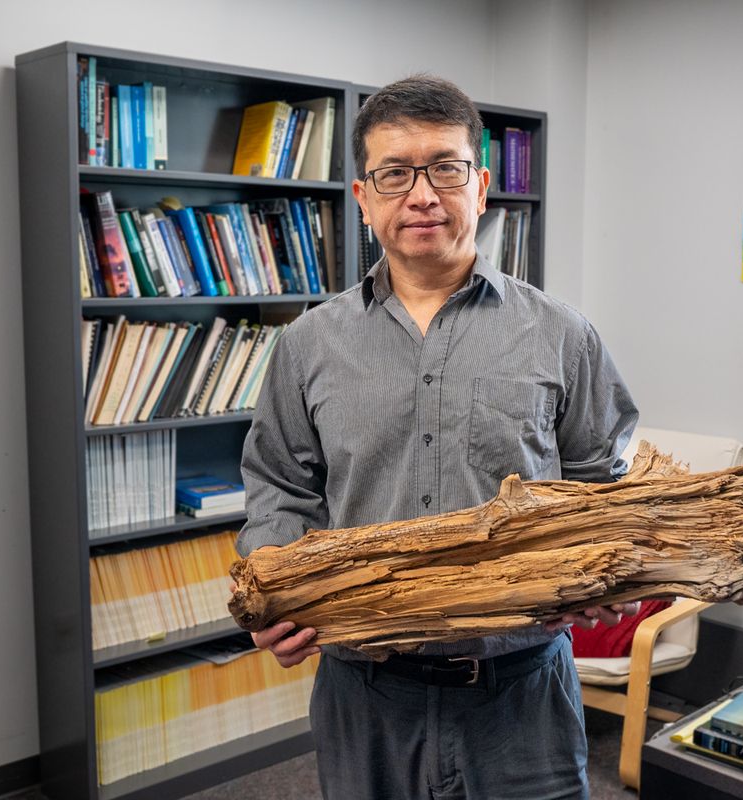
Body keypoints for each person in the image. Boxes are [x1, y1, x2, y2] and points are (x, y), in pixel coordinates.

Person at [237, 74, 639, 799]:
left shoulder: (562, 335)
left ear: (481, 186)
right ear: (363, 199)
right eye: (394, 173)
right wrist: (273, 585)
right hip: (365, 690)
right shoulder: (306, 344)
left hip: (522, 692)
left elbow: (601, 483)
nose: (421, 194)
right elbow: (279, 486)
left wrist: (613, 571)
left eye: (445, 168)